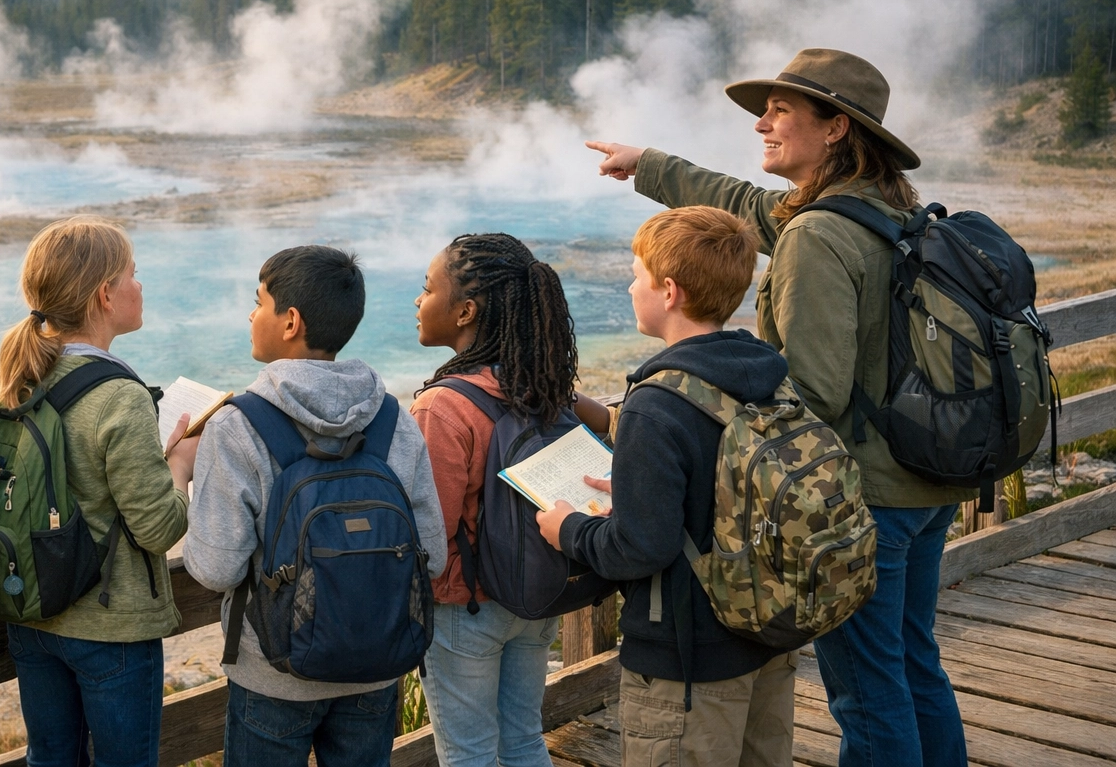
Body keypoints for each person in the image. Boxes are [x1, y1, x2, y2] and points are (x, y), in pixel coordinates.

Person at [586, 48, 970, 767]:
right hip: (926, 478)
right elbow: (752, 209)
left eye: (781, 110)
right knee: (916, 661)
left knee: (867, 687)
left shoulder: (820, 235)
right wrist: (650, 165)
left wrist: (695, 418)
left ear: (836, 129)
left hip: (868, 497)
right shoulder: (882, 210)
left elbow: (813, 393)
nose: (761, 122)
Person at [537, 206, 797, 767]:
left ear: (670, 291)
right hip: (766, 635)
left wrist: (570, 530)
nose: (631, 287)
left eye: (637, 275)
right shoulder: (764, 373)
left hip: (687, 664)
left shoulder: (656, 404)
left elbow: (641, 547)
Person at [183, 245, 446, 767]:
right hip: (375, 670)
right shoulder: (392, 419)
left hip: (273, 676)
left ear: (290, 321)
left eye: (259, 302)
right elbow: (431, 556)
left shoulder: (236, 425)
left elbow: (216, 570)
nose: (251, 315)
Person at [0, 216, 197, 767]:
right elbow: (158, 528)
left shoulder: (14, 378)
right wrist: (179, 463)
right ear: (106, 294)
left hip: (31, 613)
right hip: (110, 626)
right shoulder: (119, 395)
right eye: (134, 274)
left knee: (50, 760)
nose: (140, 285)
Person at [410, 231, 602, 767]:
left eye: (427, 290)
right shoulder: (539, 382)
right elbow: (608, 426)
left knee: (467, 752)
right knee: (522, 739)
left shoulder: (442, 406)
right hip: (534, 592)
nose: (418, 303)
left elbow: (432, 530)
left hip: (465, 606)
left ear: (465, 310)